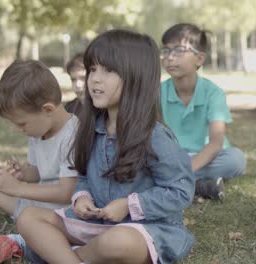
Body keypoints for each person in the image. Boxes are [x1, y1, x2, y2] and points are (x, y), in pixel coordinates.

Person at [16, 29, 196, 264]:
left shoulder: (155, 136)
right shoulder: (90, 128)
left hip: (142, 229)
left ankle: (60, 255)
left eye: (109, 70)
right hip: (93, 225)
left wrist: (129, 205)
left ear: (136, 77)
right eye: (92, 69)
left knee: (117, 242)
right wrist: (81, 198)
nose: (95, 79)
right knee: (28, 217)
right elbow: (83, 176)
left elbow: (180, 191)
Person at [0, 60, 79, 264]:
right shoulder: (39, 131)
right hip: (34, 203)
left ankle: (18, 242)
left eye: (21, 123)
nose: (19, 129)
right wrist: (23, 173)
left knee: (27, 220)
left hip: (57, 214)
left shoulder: (73, 135)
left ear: (48, 109)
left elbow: (66, 192)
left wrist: (18, 187)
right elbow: (37, 172)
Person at [160, 23, 246, 200]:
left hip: (207, 157)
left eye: (178, 50)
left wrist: (184, 169)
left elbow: (215, 144)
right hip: (171, 158)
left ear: (199, 59)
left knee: (236, 160)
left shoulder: (213, 93)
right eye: (166, 50)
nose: (169, 57)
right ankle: (200, 186)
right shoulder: (157, 93)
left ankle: (175, 182)